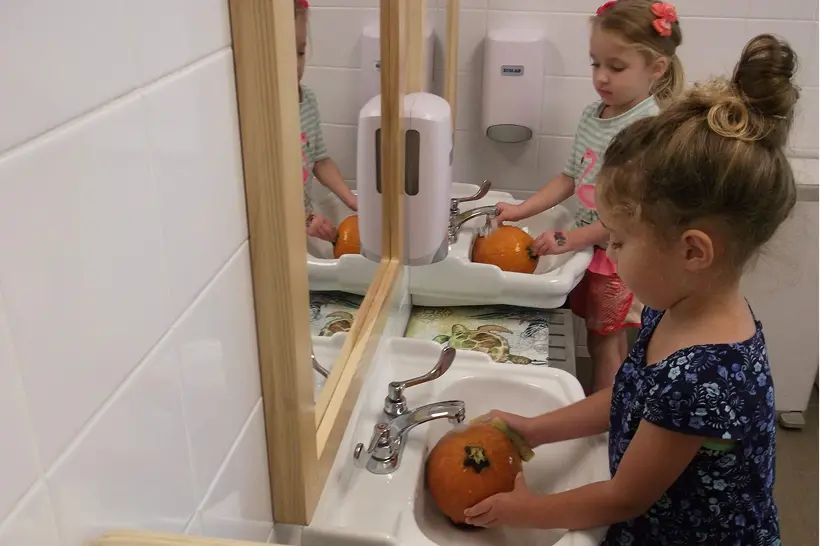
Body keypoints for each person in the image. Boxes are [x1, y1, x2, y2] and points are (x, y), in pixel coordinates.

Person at [464, 33, 798, 545]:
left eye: (619, 241)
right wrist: (537, 429)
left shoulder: (703, 375)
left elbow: (625, 497)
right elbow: (630, 397)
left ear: (692, 251)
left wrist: (527, 509)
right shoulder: (679, 312)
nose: (611, 254)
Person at [495, 0, 684, 392]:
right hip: (586, 245)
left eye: (616, 67)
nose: (601, 76)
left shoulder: (646, 127)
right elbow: (569, 177)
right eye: (595, 63)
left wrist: (569, 238)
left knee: (605, 343)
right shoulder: (593, 113)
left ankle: (603, 430)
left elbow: (630, 213)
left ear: (657, 68)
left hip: (616, 254)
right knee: (573, 327)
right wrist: (521, 209)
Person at [294, 0, 357, 243]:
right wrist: (304, 220)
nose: (296, 65)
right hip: (278, 224)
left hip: (302, 220)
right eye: (284, 55)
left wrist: (350, 199)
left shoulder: (306, 101)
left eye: (300, 52)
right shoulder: (265, 117)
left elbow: (319, 160)